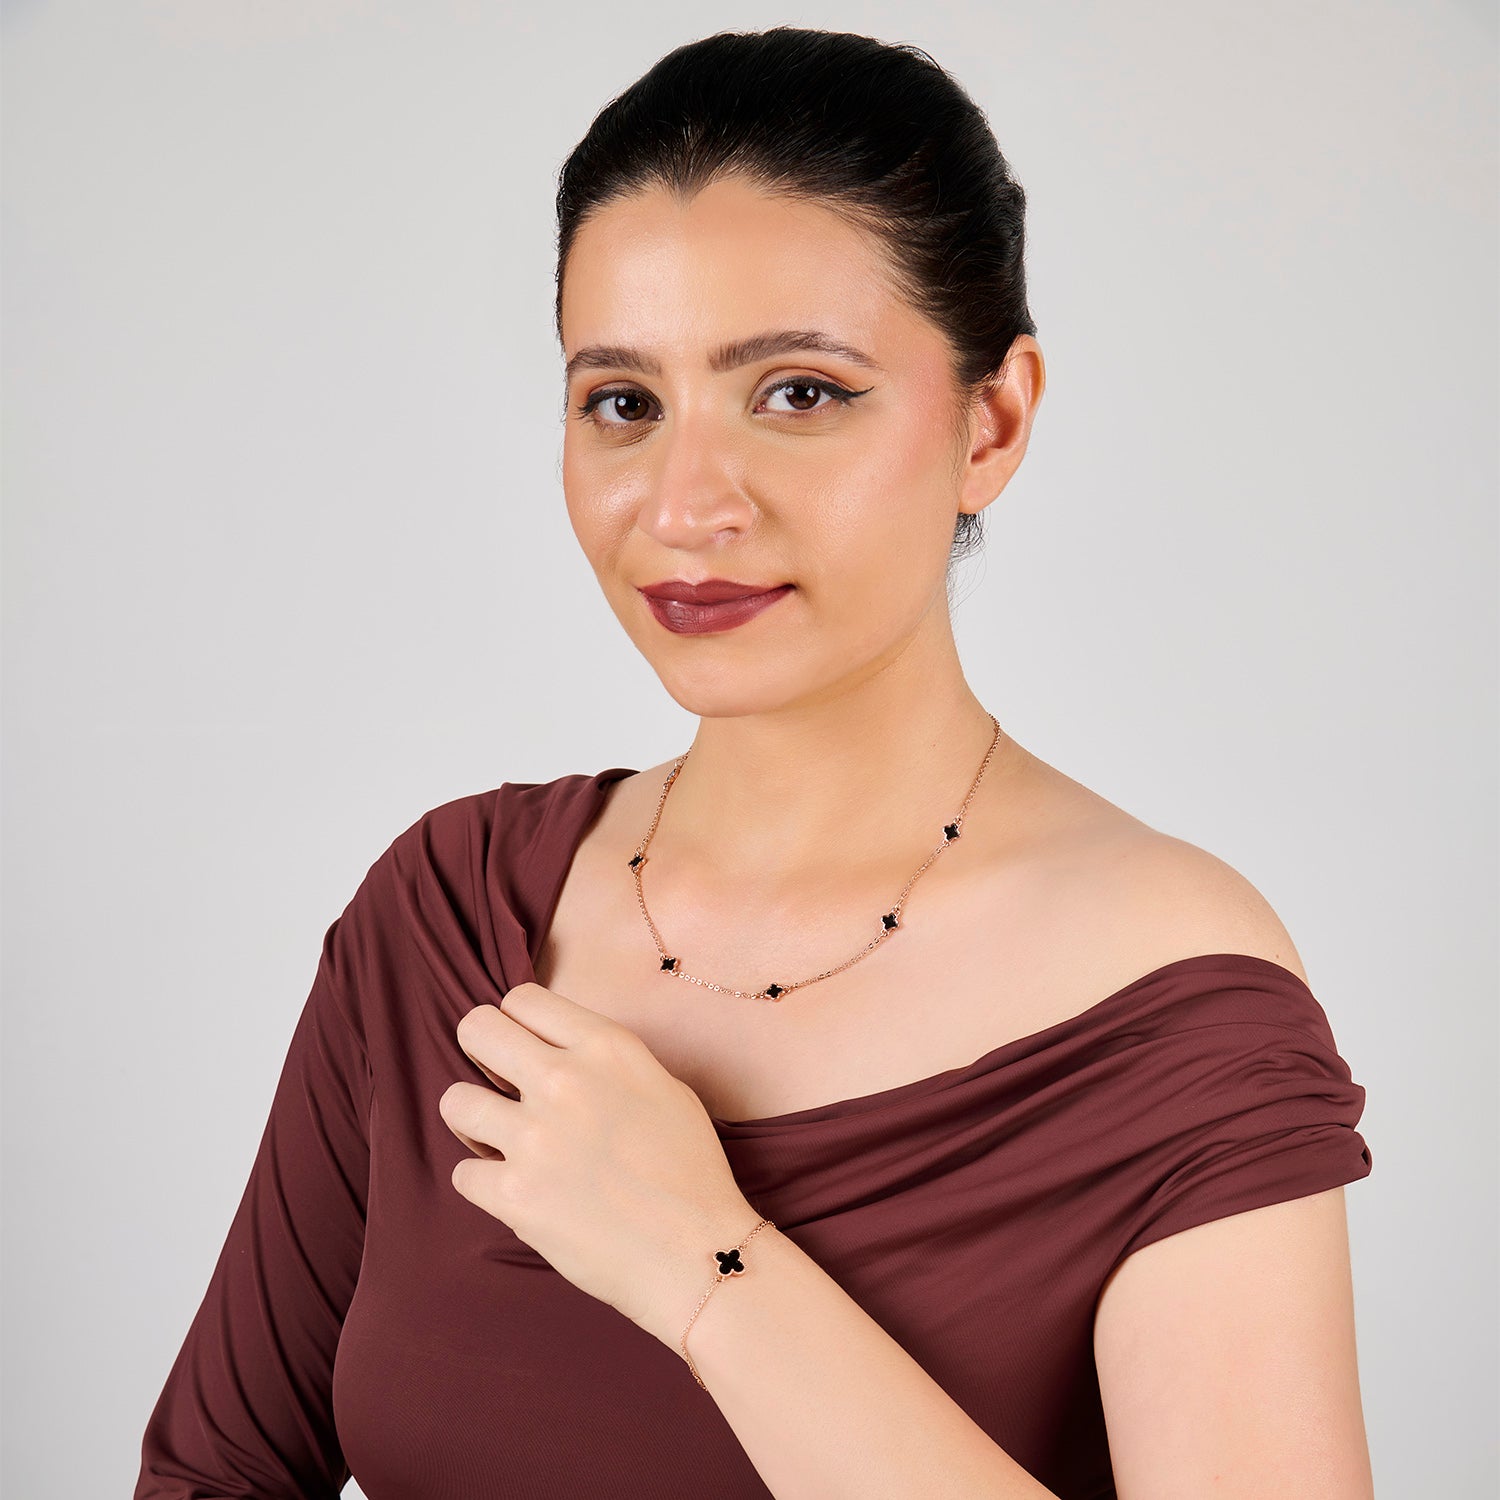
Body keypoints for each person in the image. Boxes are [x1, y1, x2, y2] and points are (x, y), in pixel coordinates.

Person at [135, 25, 1374, 1500]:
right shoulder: (445, 917)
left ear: (992, 422)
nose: (684, 506)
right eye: (624, 404)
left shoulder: (1171, 1004)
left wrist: (707, 1267)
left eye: (797, 392)